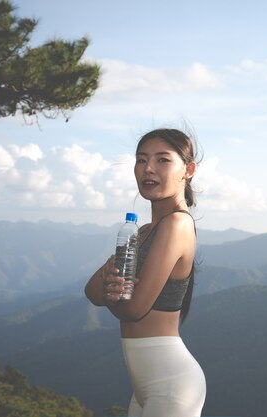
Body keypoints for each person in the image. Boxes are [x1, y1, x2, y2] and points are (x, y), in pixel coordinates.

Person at [85, 128, 206, 417]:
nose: (148, 168)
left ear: (188, 170)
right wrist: (110, 289)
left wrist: (112, 294)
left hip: (172, 386)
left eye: (163, 160)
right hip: (147, 389)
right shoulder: (142, 231)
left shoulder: (177, 224)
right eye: (141, 160)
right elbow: (91, 291)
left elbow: (134, 309)